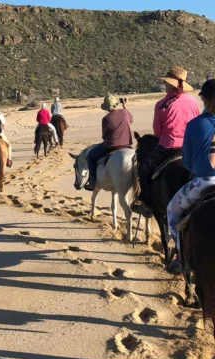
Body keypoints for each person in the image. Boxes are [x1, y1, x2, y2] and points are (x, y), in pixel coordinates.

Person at [133, 66, 200, 215]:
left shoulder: (162, 104)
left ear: (170, 84)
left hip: (168, 146)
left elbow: (157, 131)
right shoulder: (192, 101)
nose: (164, 85)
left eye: (165, 82)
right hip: (190, 146)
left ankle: (147, 203)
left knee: (145, 171)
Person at [166, 79, 215, 273]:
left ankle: (182, 257)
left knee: (171, 212)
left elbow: (187, 161)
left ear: (205, 99)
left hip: (204, 182)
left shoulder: (195, 124)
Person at [84, 93, 133, 191]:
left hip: (111, 145)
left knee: (91, 157)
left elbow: (104, 136)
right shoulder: (124, 112)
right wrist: (125, 107)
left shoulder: (106, 118)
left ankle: (92, 182)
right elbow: (131, 120)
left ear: (106, 108)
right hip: (127, 144)